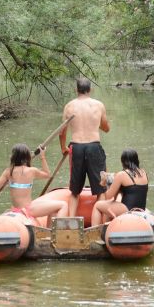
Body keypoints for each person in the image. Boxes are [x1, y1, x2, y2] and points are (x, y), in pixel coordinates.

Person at [60, 76, 110, 217]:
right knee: (101, 190)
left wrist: (63, 147)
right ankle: (102, 223)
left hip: (76, 147)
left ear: (76, 90)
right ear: (90, 89)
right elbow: (106, 127)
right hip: (94, 147)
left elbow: (61, 132)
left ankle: (71, 222)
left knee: (74, 191)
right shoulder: (98, 105)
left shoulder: (69, 106)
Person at [0, 143, 68, 223]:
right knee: (63, 205)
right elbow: (47, 175)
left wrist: (8, 182)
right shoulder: (32, 171)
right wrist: (42, 157)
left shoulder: (8, 171)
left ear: (13, 157)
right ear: (27, 157)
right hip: (28, 210)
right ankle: (58, 233)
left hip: (14, 209)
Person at [91, 149, 149, 226]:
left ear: (123, 162)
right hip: (141, 209)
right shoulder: (143, 172)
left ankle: (94, 232)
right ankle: (107, 228)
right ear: (136, 160)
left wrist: (104, 183)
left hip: (128, 209)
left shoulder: (122, 174)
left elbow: (108, 196)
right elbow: (134, 191)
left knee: (98, 205)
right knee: (110, 205)